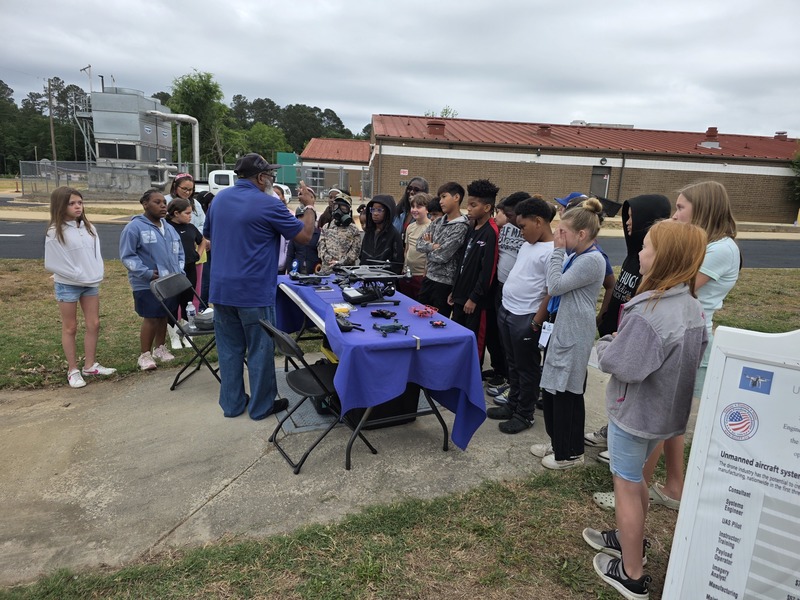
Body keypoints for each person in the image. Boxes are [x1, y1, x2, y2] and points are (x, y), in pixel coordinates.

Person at [583, 219, 708, 600]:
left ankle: (631, 572)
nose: (640, 252)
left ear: (664, 257)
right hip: (666, 416)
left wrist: (608, 344)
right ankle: (627, 537)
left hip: (635, 414)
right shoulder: (691, 306)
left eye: (647, 247)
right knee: (635, 479)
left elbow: (625, 365)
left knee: (624, 482)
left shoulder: (650, 312)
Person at [638, 180, 741, 509]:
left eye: (681, 208)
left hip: (687, 336)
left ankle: (634, 490)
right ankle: (674, 486)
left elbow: (676, 282)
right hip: (678, 330)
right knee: (671, 418)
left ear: (703, 209)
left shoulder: (721, 249)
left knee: (660, 415)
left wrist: (663, 243)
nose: (675, 214)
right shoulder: (706, 244)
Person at [203, 153, 317, 420]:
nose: (271, 179)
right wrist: (309, 207)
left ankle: (231, 405)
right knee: (260, 349)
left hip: (221, 290)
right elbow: (304, 235)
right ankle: (261, 406)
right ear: (261, 177)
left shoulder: (219, 200)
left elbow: (209, 235)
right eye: (270, 175)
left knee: (229, 350)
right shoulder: (269, 203)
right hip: (253, 291)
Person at [586, 194, 673, 450]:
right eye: (627, 217)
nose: (627, 223)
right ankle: (612, 431)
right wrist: (605, 315)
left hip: (633, 338)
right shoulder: (633, 255)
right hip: (616, 333)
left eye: (632, 218)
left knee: (630, 395)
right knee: (617, 392)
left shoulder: (653, 264)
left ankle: (619, 442)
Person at [530, 198, 606, 470]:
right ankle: (557, 441)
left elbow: (555, 284)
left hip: (574, 335)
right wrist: (563, 251)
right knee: (551, 389)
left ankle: (570, 453)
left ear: (582, 234)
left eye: (563, 232)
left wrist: (557, 251)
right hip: (562, 331)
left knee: (566, 393)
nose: (557, 237)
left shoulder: (593, 260)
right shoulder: (576, 255)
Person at [486, 197, 555, 433]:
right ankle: (512, 404)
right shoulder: (528, 244)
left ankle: (525, 414)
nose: (521, 232)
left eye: (523, 227)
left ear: (539, 221)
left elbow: (551, 291)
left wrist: (537, 320)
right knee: (512, 364)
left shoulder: (553, 252)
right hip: (508, 310)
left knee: (527, 368)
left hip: (526, 317)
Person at [44, 186, 116, 388]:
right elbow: (53, 262)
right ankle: (73, 369)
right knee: (70, 326)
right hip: (68, 285)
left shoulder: (88, 228)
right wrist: (77, 274)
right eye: (71, 203)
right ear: (61, 206)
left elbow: (95, 255)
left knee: (93, 323)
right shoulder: (54, 232)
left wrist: (95, 273)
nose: (77, 207)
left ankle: (90, 365)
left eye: (79, 202)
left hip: (90, 283)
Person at [120, 189, 185, 371]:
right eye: (157, 202)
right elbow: (127, 256)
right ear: (145, 204)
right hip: (146, 283)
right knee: (151, 317)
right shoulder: (134, 227)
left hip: (169, 282)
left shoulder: (169, 228)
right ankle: (145, 355)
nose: (163, 205)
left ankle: (160, 349)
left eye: (164, 202)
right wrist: (146, 272)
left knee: (163, 315)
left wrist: (179, 271)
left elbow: (179, 252)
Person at [448, 179, 500, 360]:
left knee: (474, 344)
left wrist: (474, 297)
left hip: (476, 303)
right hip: (461, 296)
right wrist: (455, 290)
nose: (468, 209)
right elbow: (462, 261)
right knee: (458, 339)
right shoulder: (472, 227)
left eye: (473, 205)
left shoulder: (491, 232)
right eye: (468, 204)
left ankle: (473, 381)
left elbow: (488, 271)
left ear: (487, 208)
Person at [484, 192, 529, 395]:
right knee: (497, 334)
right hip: (500, 287)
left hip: (518, 293)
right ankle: (502, 373)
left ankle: (514, 383)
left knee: (512, 341)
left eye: (510, 213)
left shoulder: (528, 231)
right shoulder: (504, 228)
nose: (508, 217)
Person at [416, 182, 470, 317]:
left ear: (456, 197)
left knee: (437, 321)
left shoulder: (461, 226)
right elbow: (418, 244)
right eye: (439, 198)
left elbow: (442, 256)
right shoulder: (437, 222)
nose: (441, 201)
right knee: (419, 316)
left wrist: (429, 248)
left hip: (444, 284)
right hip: (428, 278)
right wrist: (432, 246)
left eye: (444, 197)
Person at [165, 197, 207, 350]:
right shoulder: (166, 227)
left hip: (189, 269)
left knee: (187, 302)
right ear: (176, 213)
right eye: (187, 213)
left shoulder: (190, 227)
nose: (190, 216)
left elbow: (202, 240)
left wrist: (198, 253)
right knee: (172, 304)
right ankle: (174, 336)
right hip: (172, 272)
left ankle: (187, 334)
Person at [398, 192, 432, 299]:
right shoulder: (410, 227)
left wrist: (425, 272)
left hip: (421, 275)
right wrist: (404, 268)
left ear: (427, 209)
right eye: (413, 206)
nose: (414, 209)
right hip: (407, 273)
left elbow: (430, 252)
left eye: (419, 206)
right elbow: (407, 249)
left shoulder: (431, 227)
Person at [317, 194, 362, 275]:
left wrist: (340, 262)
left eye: (343, 208)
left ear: (349, 211)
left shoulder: (354, 230)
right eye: (336, 207)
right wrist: (330, 260)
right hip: (327, 272)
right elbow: (321, 248)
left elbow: (354, 253)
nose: (339, 210)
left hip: (346, 272)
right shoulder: (326, 227)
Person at [359, 195, 404, 273]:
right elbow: (362, 256)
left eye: (379, 210)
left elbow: (397, 263)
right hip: (366, 276)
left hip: (385, 277)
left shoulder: (394, 234)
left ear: (388, 212)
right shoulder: (369, 232)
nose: (375, 213)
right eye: (373, 209)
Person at [285, 204, 321, 275]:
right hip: (297, 271)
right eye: (299, 217)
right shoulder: (295, 234)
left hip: (314, 272)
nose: (302, 219)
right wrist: (290, 272)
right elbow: (290, 255)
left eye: (304, 217)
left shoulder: (319, 235)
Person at [273, 184, 292, 274]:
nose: (275, 197)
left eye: (278, 194)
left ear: (283, 197)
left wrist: (283, 260)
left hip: (280, 265)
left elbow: (288, 241)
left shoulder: (287, 215)